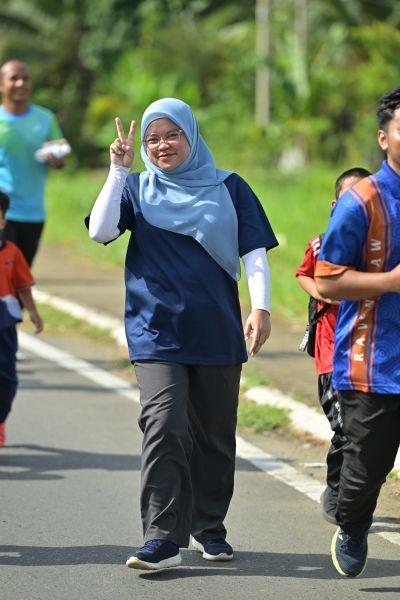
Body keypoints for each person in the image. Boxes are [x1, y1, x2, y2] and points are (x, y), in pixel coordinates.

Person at [87, 98, 278, 570]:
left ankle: (209, 528)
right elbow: (100, 231)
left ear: (191, 136)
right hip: (155, 331)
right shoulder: (135, 189)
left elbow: (253, 251)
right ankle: (161, 537)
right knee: (164, 423)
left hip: (216, 329)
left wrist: (261, 307)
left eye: (172, 135)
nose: (162, 145)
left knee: (214, 435)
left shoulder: (230, 187)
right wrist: (117, 171)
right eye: (152, 138)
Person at [315, 87, 400, 578]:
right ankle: (352, 525)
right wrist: (389, 282)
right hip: (374, 364)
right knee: (366, 469)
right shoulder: (361, 201)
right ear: (383, 137)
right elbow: (327, 281)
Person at [296, 167, 371, 526]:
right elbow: (303, 274)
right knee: (345, 429)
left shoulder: (383, 247)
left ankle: (359, 493)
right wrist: (322, 292)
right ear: (334, 205)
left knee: (369, 433)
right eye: (349, 199)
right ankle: (336, 491)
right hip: (332, 357)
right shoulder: (321, 243)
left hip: (371, 356)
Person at [0, 59, 70, 267]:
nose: (21, 83)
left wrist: (57, 158)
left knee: (20, 276)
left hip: (33, 213)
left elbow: (59, 161)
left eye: (25, 78)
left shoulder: (45, 118)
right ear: (2, 85)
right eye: (14, 78)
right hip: (3, 211)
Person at [0, 191, 43, 447]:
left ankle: (0, 419)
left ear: (3, 222)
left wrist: (33, 312)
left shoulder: (12, 252)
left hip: (4, 323)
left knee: (7, 379)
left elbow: (23, 285)